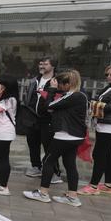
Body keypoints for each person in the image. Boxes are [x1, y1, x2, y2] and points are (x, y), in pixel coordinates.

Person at [23, 70, 88, 207]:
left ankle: (43, 193)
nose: (58, 87)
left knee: (48, 160)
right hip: (74, 136)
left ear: (68, 84)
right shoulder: (79, 96)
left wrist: (51, 90)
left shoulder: (73, 96)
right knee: (70, 164)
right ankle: (72, 196)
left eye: (60, 84)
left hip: (65, 135)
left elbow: (49, 106)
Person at [81, 63, 111, 195]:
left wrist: (93, 104)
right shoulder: (110, 87)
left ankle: (93, 186)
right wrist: (94, 103)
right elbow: (100, 101)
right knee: (107, 154)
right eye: (107, 74)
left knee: (99, 154)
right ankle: (109, 185)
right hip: (104, 125)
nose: (108, 77)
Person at [23, 57, 62, 183]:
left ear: (53, 66)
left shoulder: (57, 81)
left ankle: (55, 172)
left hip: (48, 119)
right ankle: (36, 167)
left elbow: (59, 98)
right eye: (40, 63)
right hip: (33, 117)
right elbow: (28, 96)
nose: (42, 66)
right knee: (32, 143)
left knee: (49, 146)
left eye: (45, 64)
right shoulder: (35, 80)